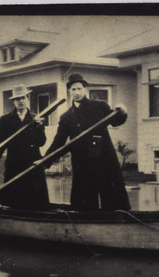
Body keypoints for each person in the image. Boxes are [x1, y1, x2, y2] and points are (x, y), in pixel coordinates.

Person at [44, 73, 131, 211]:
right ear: (69, 91)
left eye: (79, 88)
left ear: (85, 89)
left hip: (104, 160)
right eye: (73, 89)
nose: (77, 92)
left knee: (112, 199)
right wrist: (45, 161)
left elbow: (115, 121)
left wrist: (123, 112)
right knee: (85, 202)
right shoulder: (66, 117)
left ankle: (116, 225)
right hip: (83, 163)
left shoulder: (100, 106)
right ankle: (88, 226)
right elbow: (59, 141)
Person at [0, 84, 50, 210]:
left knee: (36, 201)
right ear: (13, 101)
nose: (21, 101)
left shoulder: (36, 118)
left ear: (27, 98)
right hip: (14, 164)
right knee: (13, 200)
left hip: (32, 163)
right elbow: (1, 141)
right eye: (17, 99)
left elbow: (41, 142)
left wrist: (39, 127)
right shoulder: (5, 119)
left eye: (23, 98)